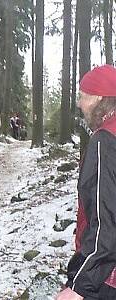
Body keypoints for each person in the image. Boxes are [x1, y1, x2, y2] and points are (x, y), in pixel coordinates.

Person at [56, 65, 116, 299]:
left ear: (99, 98)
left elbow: (107, 223)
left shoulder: (105, 141)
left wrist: (81, 285)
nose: (79, 104)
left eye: (83, 96)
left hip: (106, 279)